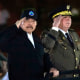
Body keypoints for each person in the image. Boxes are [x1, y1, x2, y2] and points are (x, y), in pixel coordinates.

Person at [0, 9, 59, 80]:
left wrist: (51, 67)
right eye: (26, 20)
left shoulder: (36, 38)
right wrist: (14, 27)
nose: (30, 24)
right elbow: (1, 43)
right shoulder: (14, 38)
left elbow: (43, 56)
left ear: (36, 24)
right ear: (20, 22)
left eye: (33, 21)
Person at [41, 5, 80, 78]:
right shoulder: (48, 33)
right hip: (60, 77)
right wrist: (55, 27)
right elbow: (48, 45)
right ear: (55, 19)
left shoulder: (74, 34)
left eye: (69, 17)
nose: (68, 20)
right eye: (65, 17)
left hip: (76, 76)